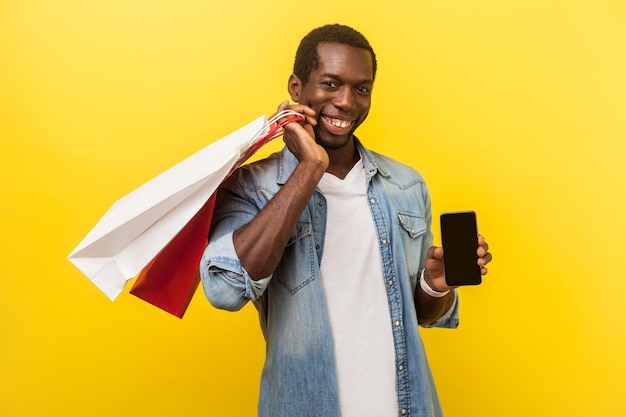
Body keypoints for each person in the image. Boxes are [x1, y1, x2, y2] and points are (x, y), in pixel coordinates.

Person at [200, 23, 492, 417]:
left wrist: (434, 286)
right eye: (330, 83)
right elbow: (226, 291)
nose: (347, 102)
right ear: (296, 88)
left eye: (361, 88)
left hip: (407, 405)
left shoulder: (405, 185)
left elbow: (420, 314)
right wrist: (310, 167)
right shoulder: (252, 186)